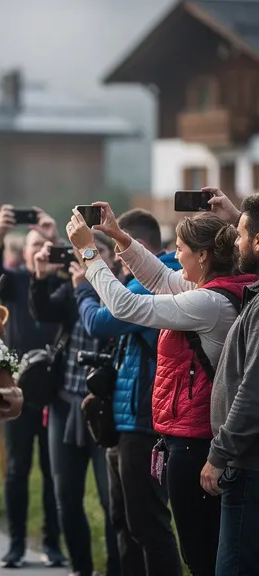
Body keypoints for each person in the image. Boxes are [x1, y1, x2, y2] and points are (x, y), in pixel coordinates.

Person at [67, 203, 259, 576]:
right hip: (192, 436)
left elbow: (124, 305)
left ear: (201, 256)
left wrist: (89, 253)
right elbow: (158, 279)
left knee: (202, 555)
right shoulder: (215, 289)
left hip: (195, 440)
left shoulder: (208, 302)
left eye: (179, 248)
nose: (173, 255)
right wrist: (120, 237)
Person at [76, 208, 183, 576]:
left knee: (148, 525)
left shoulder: (156, 278)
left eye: (121, 252)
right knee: (125, 522)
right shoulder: (149, 275)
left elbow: (104, 321)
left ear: (138, 247)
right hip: (126, 419)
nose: (120, 262)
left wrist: (82, 289)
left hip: (144, 421)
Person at [30, 232, 121, 576]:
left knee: (112, 499)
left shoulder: (123, 290)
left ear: (113, 259)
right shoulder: (72, 287)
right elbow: (44, 310)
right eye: (86, 256)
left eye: (98, 256)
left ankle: (116, 568)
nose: (91, 263)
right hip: (65, 404)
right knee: (65, 496)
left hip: (106, 409)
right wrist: (40, 274)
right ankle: (81, 568)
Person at [0, 204, 67, 569]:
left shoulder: (64, 282)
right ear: (23, 252)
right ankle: (16, 544)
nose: (39, 251)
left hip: (56, 392)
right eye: (33, 245)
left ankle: (52, 543)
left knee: (53, 473)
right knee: (17, 470)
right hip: (19, 391)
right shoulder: (16, 281)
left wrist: (54, 239)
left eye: (45, 245)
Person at [199, 190, 259, 575]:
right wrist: (240, 215)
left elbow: (253, 390)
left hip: (248, 467)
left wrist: (219, 455)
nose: (234, 242)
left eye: (239, 234)